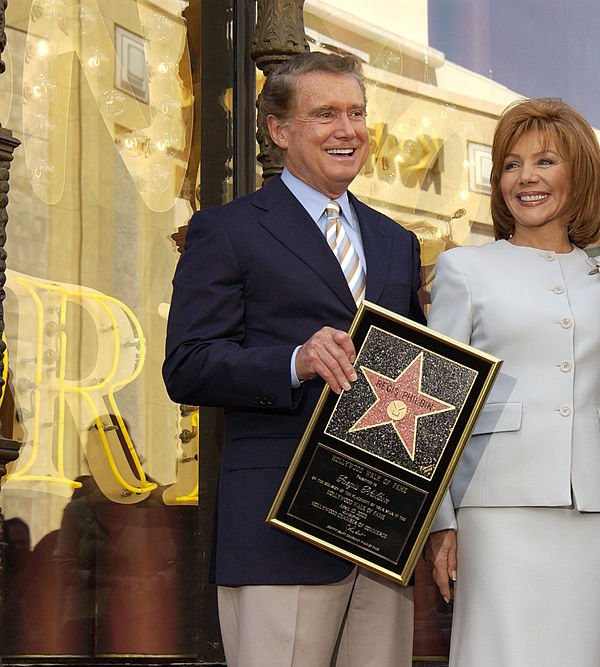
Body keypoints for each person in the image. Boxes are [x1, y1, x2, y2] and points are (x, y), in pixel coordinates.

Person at [163, 52, 424, 667]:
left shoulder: (397, 242)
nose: (348, 129)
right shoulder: (226, 231)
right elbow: (188, 365)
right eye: (325, 114)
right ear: (278, 132)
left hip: (381, 530)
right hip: (277, 528)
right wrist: (293, 362)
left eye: (357, 113)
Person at [422, 98, 600, 666]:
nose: (526, 178)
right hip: (496, 509)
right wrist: (439, 522)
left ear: (580, 175)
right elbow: (432, 404)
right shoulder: (464, 269)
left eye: (545, 161)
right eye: (511, 165)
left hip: (597, 507)